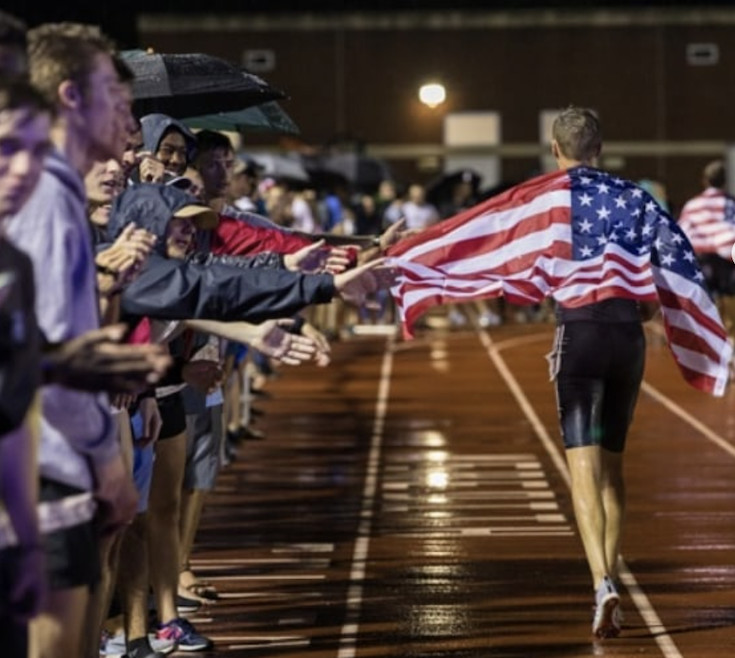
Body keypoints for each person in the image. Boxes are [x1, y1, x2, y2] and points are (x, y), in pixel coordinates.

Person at [4, 23, 145, 658]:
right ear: (69, 96)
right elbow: (48, 354)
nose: (127, 117)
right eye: (113, 93)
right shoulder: (46, 194)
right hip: (47, 475)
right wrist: (107, 461)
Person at [545, 106, 661, 639]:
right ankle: (610, 573)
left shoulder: (546, 200)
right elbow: (657, 284)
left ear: (555, 149)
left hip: (580, 335)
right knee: (614, 468)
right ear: (600, 149)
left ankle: (601, 582)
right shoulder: (634, 197)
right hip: (627, 336)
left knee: (583, 469)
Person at [677, 159, 735, 333]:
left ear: (704, 180)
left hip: (701, 261)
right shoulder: (731, 203)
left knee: (707, 303)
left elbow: (681, 234)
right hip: (727, 261)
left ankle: (714, 337)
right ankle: (731, 336)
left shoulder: (692, 205)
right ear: (724, 181)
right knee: (730, 299)